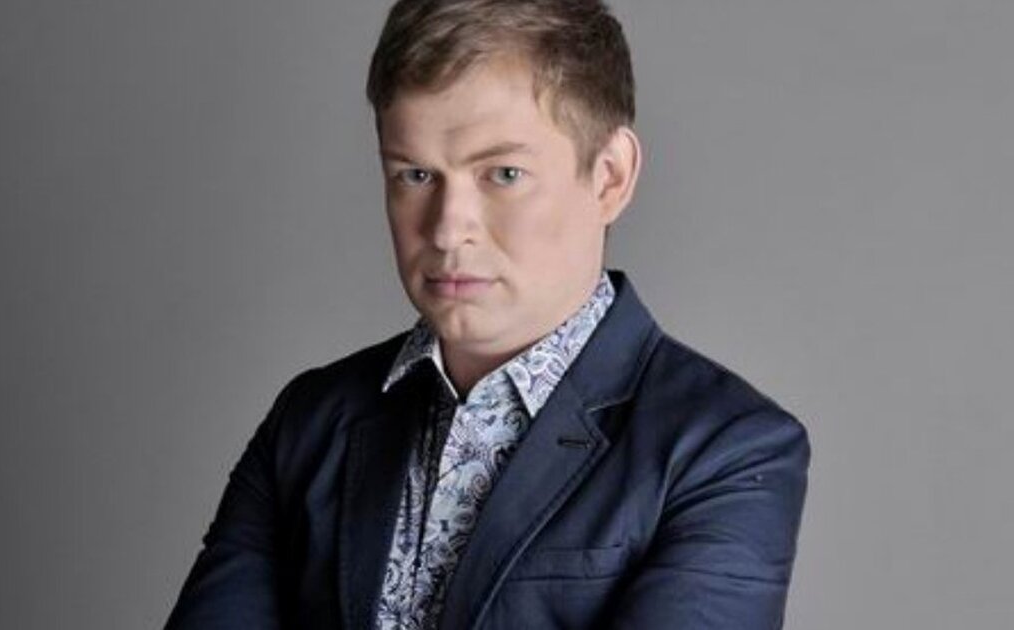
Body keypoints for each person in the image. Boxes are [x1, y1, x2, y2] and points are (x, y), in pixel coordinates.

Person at [165, 1, 810, 628]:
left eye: (503, 174)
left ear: (610, 176)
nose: (448, 230)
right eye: (415, 175)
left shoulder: (725, 449)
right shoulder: (309, 420)